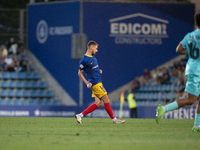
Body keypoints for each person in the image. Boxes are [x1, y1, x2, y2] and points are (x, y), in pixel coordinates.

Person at [156, 13, 200, 132]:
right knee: (191, 100)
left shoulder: (190, 35)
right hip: (199, 70)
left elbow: (178, 49)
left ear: (196, 23)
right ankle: (163, 109)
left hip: (191, 68)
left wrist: (191, 53)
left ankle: (197, 125)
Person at [75, 41, 125, 124]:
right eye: (96, 48)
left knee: (98, 103)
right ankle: (114, 119)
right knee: (106, 97)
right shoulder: (85, 59)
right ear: (91, 48)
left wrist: (99, 71)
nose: (97, 50)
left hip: (98, 82)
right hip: (95, 83)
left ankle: (80, 115)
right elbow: (79, 73)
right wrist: (87, 83)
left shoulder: (93, 57)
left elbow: (93, 69)